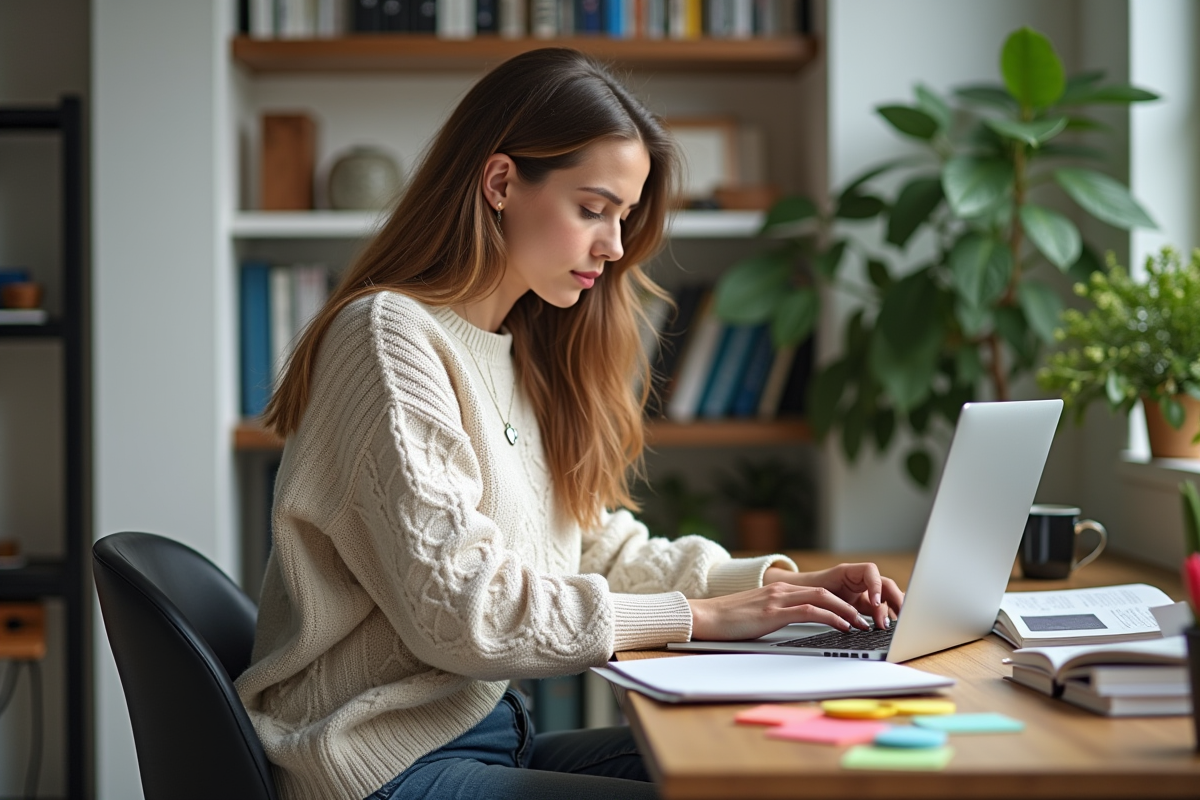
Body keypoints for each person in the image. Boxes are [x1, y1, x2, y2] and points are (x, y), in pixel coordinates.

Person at [234, 47, 904, 800]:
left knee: (780, 766)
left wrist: (781, 590)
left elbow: (590, 547)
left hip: (485, 740)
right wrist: (701, 617)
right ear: (500, 183)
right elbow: (464, 613)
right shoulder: (389, 337)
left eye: (623, 217)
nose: (614, 246)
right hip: (377, 767)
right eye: (592, 209)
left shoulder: (516, 348)